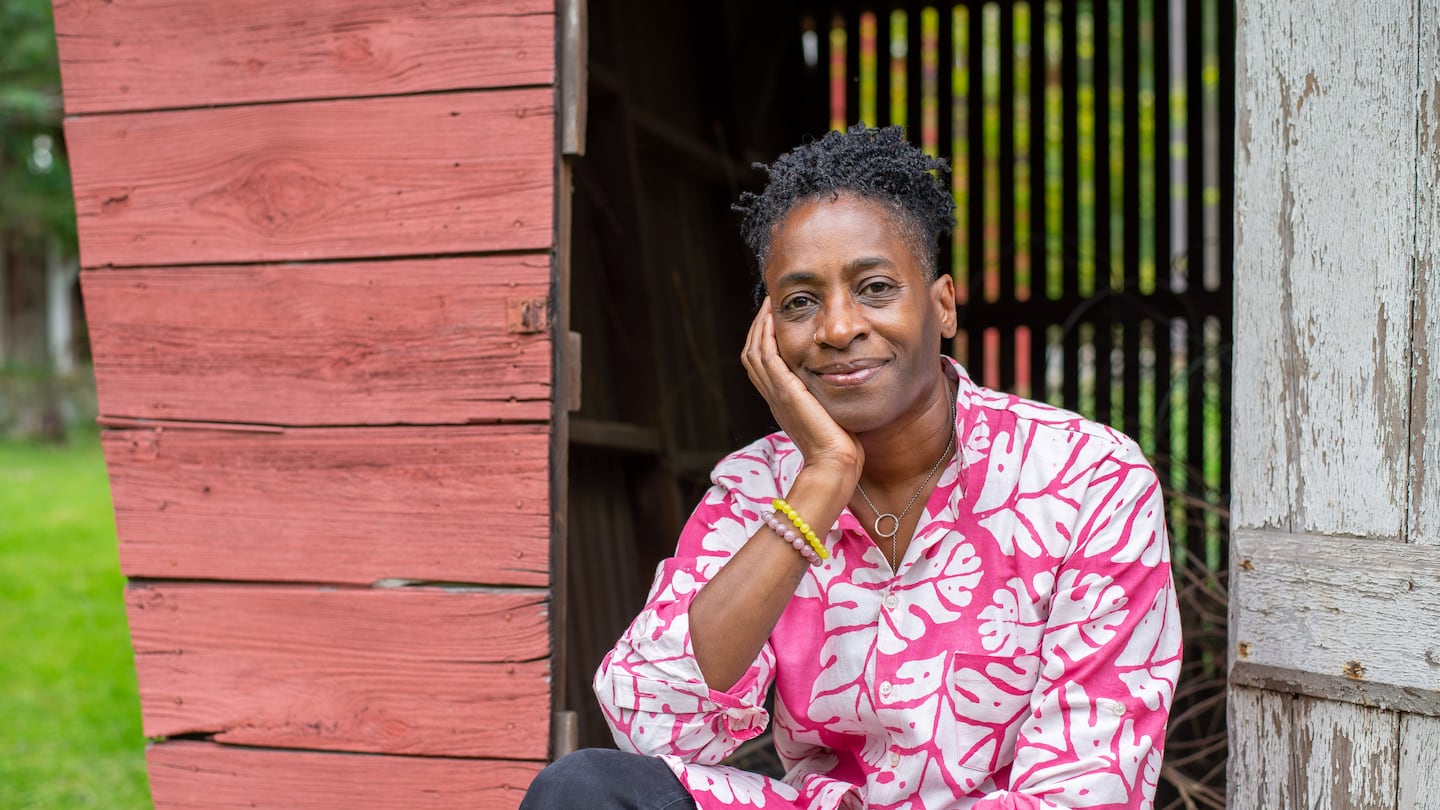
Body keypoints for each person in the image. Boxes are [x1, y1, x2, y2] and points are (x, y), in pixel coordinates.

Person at [522, 125, 1182, 810]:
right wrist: (821, 481)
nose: (837, 328)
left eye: (873, 288)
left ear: (943, 306)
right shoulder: (757, 487)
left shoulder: (1087, 479)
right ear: (767, 334)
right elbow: (653, 723)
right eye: (800, 302)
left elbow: (1088, 792)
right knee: (586, 791)